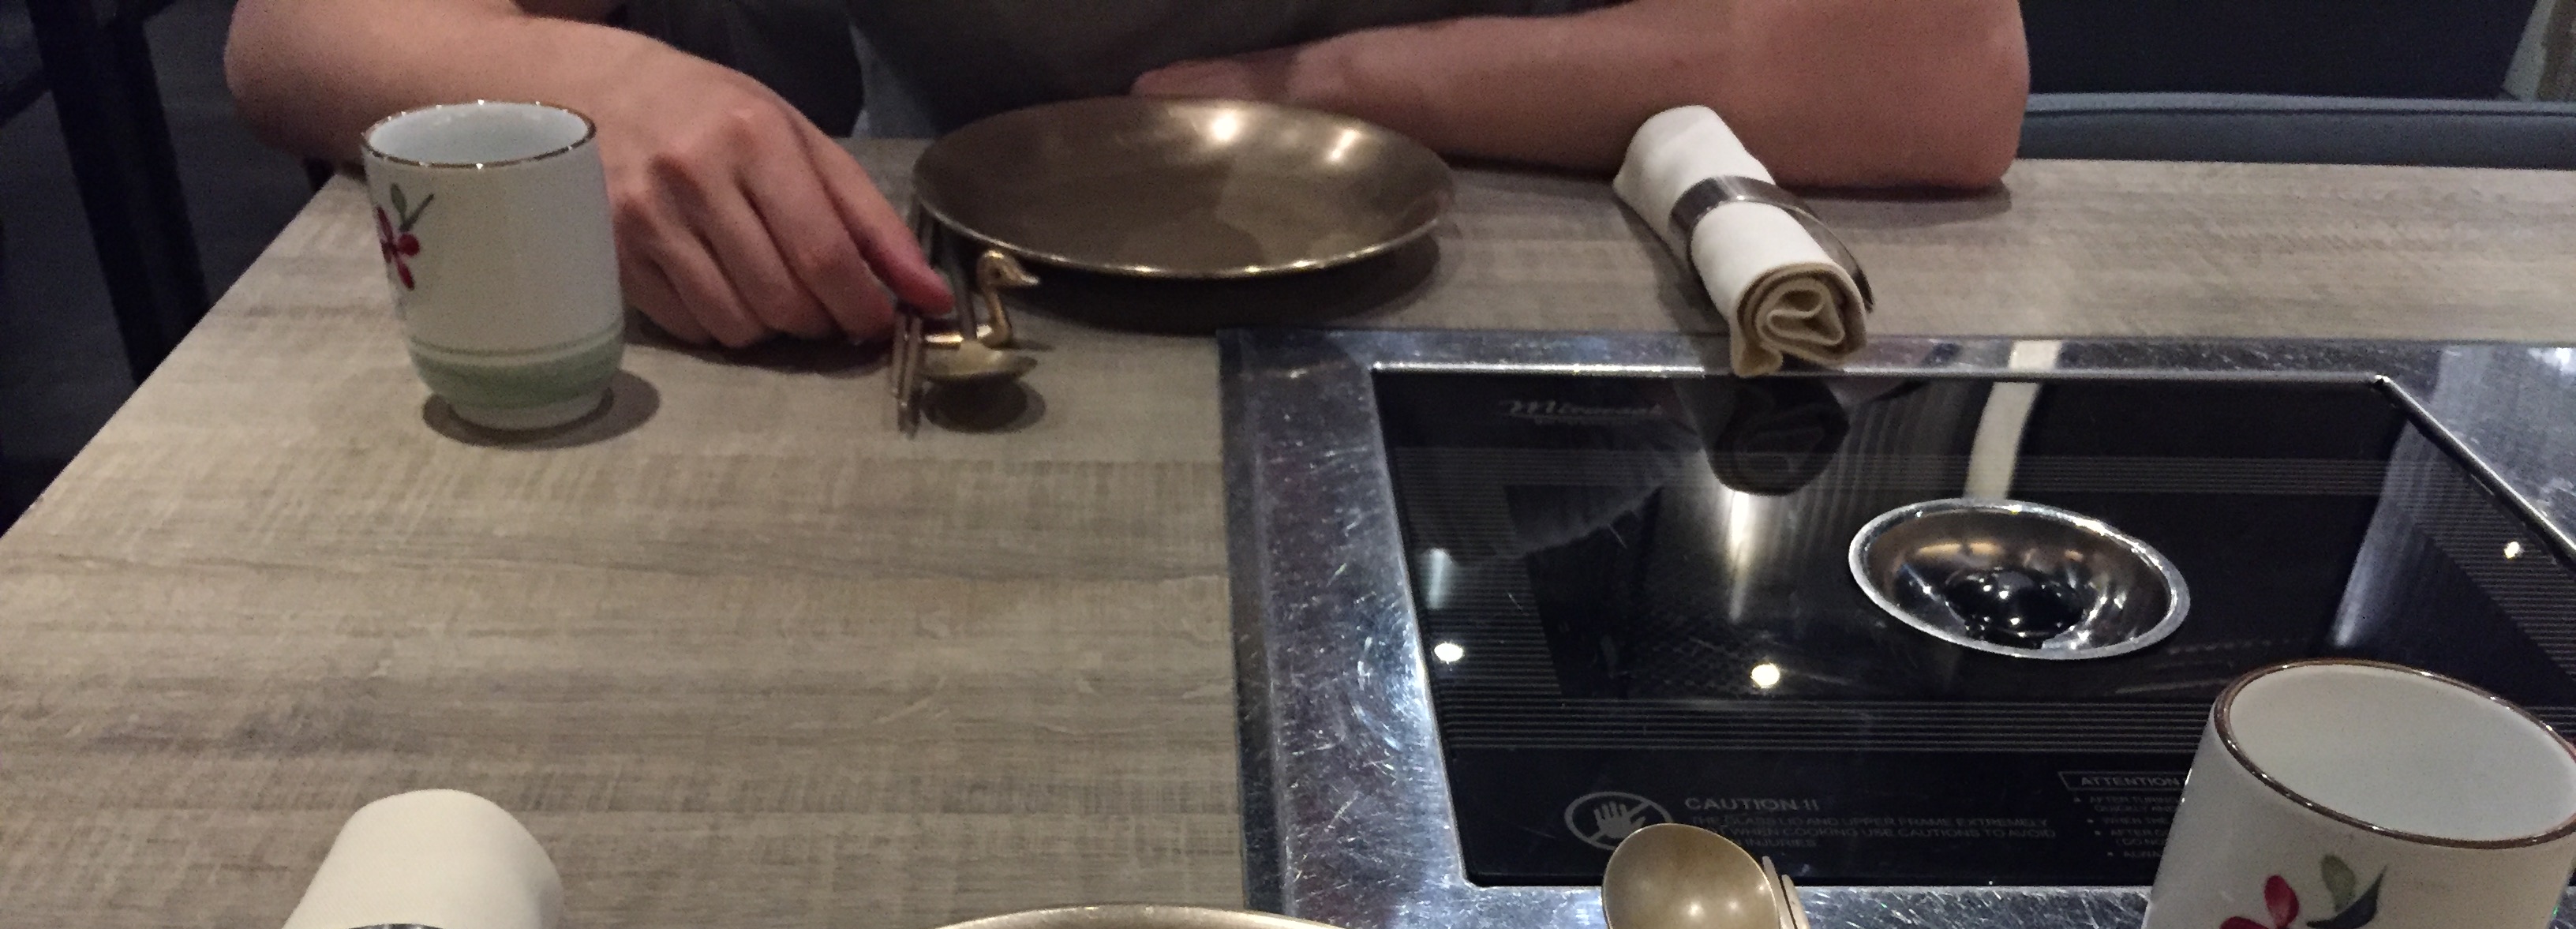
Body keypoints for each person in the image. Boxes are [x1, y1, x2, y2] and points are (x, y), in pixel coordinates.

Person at [224, 0, 2026, 350]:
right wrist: (594, 79)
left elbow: (1938, 66)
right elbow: (293, 33)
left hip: (1502, 343)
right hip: (901, 309)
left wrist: (1316, 81)